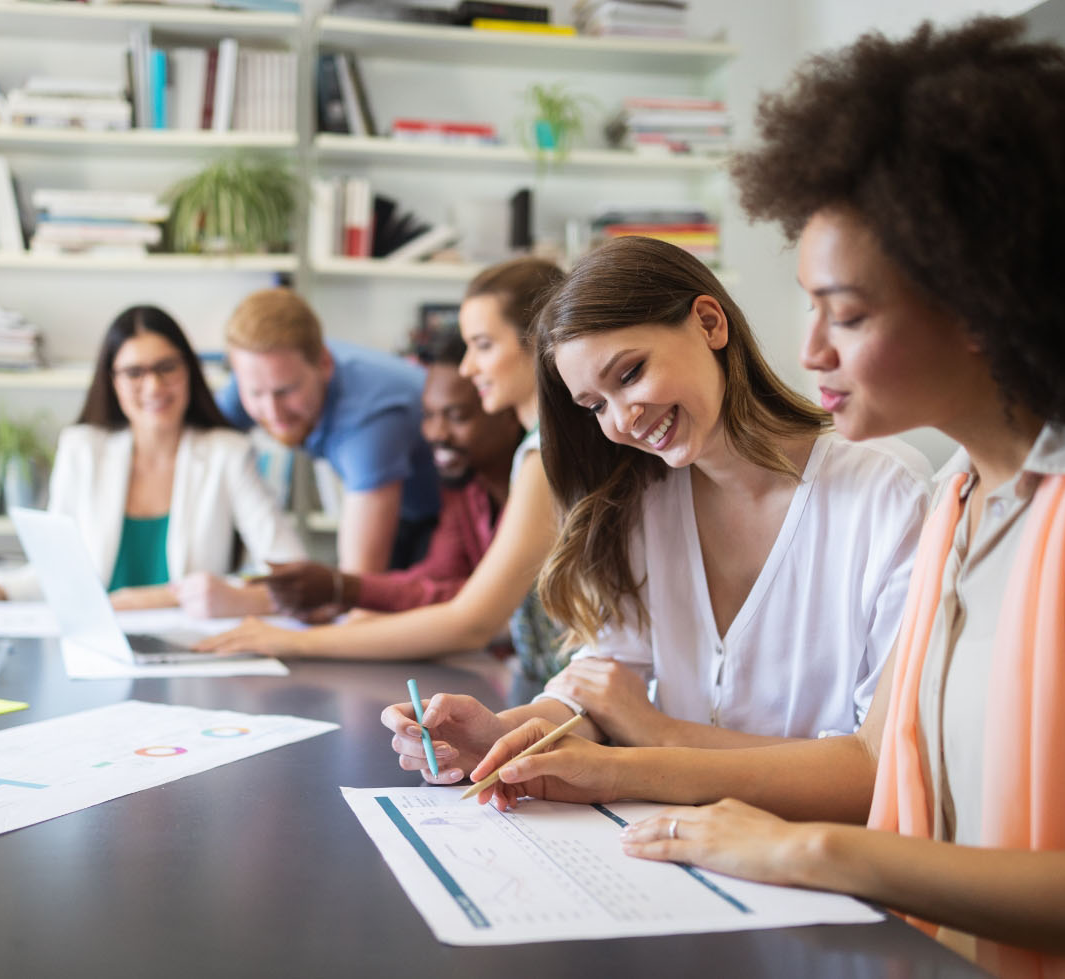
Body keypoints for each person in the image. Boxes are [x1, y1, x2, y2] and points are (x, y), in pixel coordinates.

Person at [454, 20, 1065, 975]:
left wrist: (806, 848)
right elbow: (900, 769)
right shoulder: (961, 495)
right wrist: (538, 736)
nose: (813, 349)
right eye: (812, 306)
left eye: (849, 313)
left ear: (985, 299)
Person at [382, 235, 932, 779]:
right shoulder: (639, 497)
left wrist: (656, 734)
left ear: (710, 324)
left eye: (630, 373)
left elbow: (877, 766)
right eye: (595, 405)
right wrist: (504, 735)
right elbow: (602, 692)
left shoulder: (888, 490)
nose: (622, 421)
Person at [195, 258, 571, 682]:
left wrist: (297, 641)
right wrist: (344, 596)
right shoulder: (523, 456)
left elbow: (472, 622)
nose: (467, 368)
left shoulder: (542, 457)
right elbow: (449, 588)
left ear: (542, 342)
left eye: (483, 345)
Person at [0, 305, 306, 614]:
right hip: (94, 648)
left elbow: (293, 571)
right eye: (134, 372)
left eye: (166, 368)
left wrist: (168, 597)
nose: (153, 387)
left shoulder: (226, 453)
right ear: (111, 382)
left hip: (188, 652)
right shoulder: (83, 450)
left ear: (188, 371)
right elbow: (52, 576)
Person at [257, 327, 526, 617]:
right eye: (428, 415)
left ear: (510, 413)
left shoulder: (539, 488)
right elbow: (435, 578)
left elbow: (483, 600)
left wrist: (343, 589)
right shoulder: (464, 488)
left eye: (457, 416)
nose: (436, 433)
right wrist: (339, 590)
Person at [214, 287, 440, 582]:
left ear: (324, 364)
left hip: (446, 513)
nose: (273, 412)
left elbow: (358, 581)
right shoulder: (264, 372)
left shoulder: (369, 423)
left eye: (286, 391)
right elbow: (197, 443)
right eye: (255, 393)